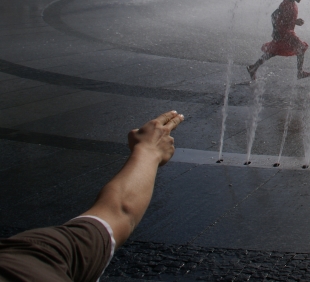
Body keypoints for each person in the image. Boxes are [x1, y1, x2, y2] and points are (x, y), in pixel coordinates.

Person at [0, 110, 185, 282]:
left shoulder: (29, 257)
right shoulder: (27, 258)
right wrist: (147, 150)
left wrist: (148, 151)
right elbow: (118, 211)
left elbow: (118, 213)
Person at [248, 0, 310, 80]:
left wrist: (295, 21)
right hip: (285, 32)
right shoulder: (286, 4)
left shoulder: (292, 4)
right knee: (301, 48)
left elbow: (286, 18)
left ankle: (253, 68)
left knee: (272, 52)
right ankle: (299, 72)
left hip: (286, 32)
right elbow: (274, 16)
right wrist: (275, 31)